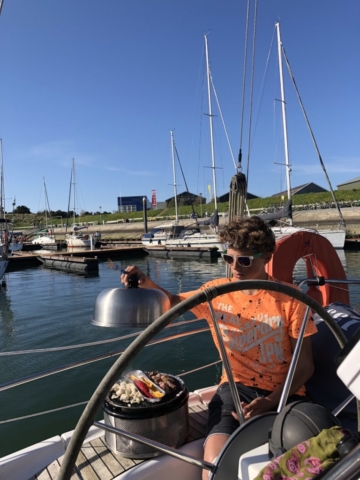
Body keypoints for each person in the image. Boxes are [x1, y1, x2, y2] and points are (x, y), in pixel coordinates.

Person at [121, 216, 317, 477]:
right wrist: (145, 282)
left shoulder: (292, 300)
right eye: (229, 259)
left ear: (267, 256)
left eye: (245, 260)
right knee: (213, 465)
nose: (235, 267)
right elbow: (173, 304)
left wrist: (270, 401)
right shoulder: (216, 292)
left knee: (306, 465)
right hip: (234, 390)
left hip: (285, 394)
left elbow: (304, 366)